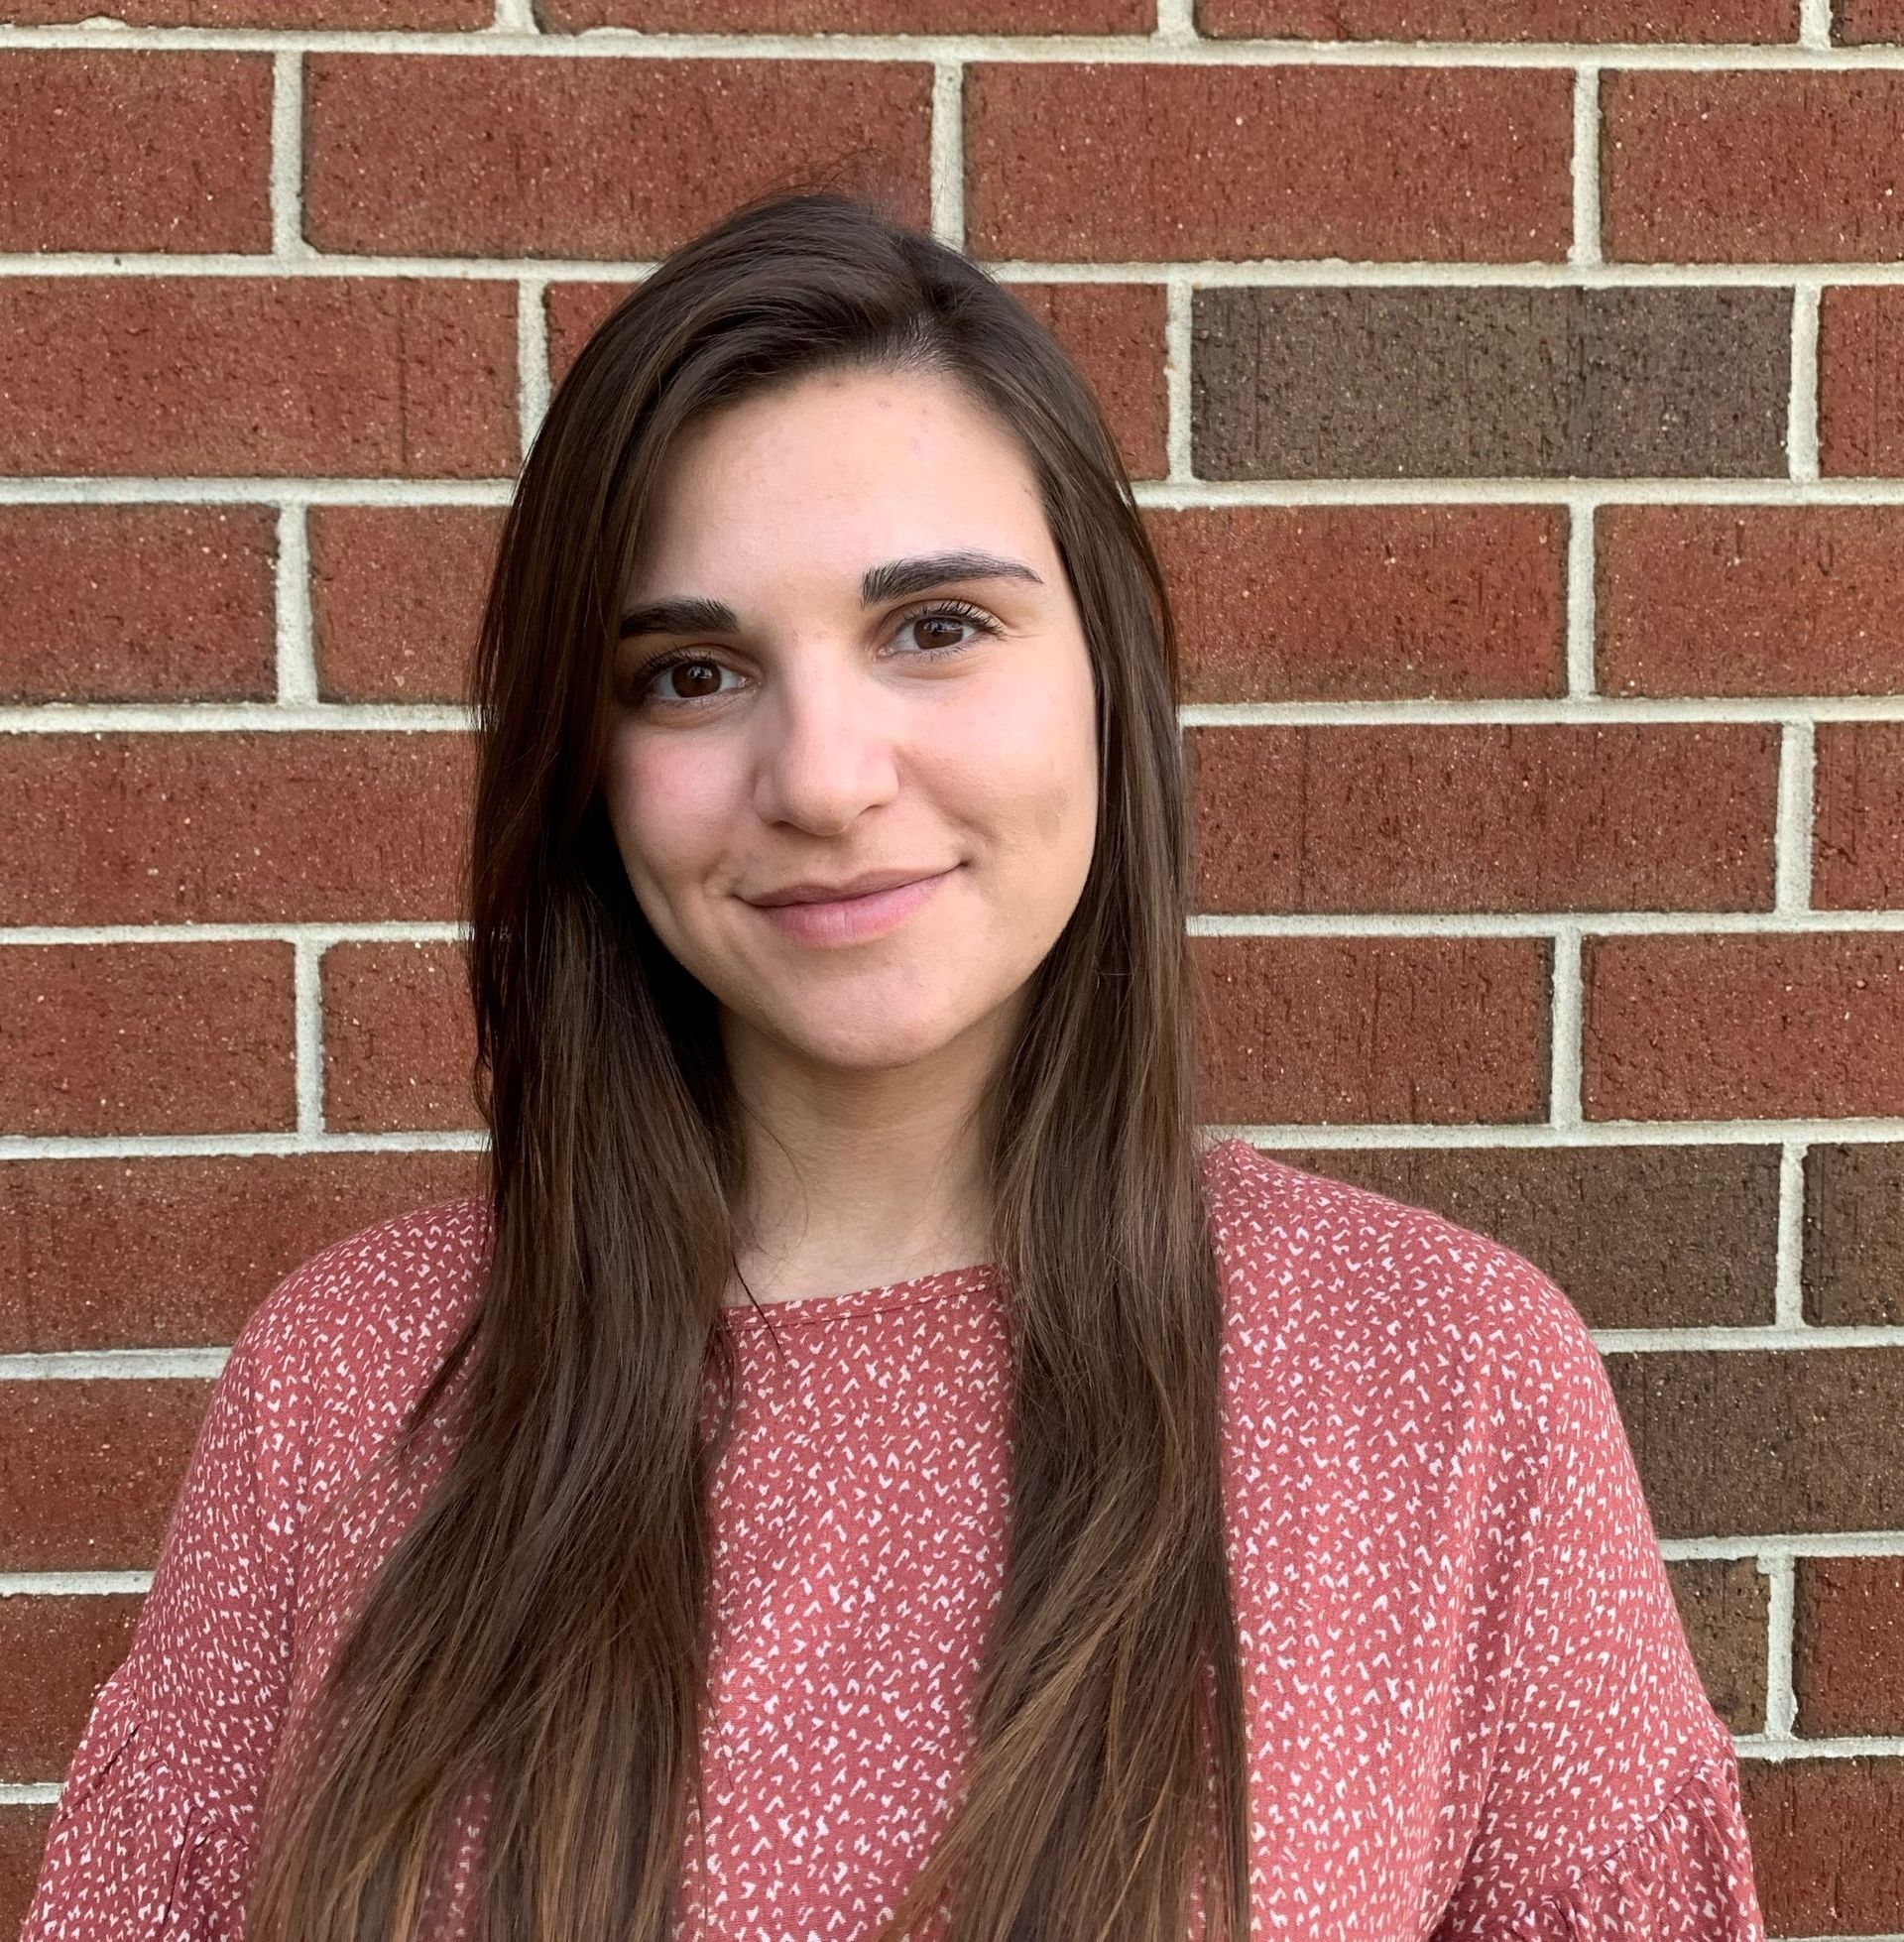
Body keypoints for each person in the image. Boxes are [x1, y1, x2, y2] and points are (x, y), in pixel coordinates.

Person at [19, 186, 1767, 1942]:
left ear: (1109, 677)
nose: (823, 777)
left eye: (934, 627)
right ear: (590, 768)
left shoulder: (1445, 1385)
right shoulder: (348, 1387)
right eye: (691, 672)